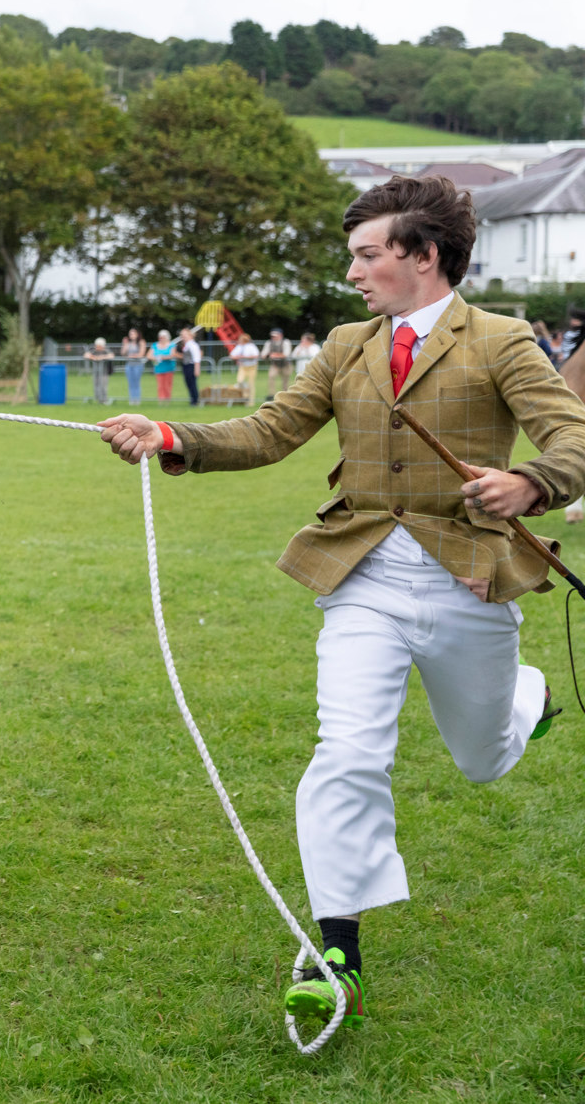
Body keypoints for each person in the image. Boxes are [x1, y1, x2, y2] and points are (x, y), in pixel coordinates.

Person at [97, 175, 583, 1040]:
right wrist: (173, 437)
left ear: (424, 256)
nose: (353, 271)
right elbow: (271, 429)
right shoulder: (346, 344)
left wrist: (531, 481)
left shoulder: (504, 341)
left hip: (469, 581)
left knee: (481, 758)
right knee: (347, 749)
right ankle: (336, 955)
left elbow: (573, 438)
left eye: (368, 254)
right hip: (360, 577)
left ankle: (527, 699)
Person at [229, 333, 261, 402]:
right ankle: (245, 395)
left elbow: (256, 355)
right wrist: (237, 357)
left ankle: (251, 401)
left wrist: (244, 357)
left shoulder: (251, 346)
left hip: (252, 367)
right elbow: (232, 355)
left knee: (251, 383)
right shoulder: (239, 347)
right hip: (243, 367)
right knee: (240, 381)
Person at [84, 336, 115, 405]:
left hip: (104, 372)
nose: (97, 347)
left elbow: (112, 356)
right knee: (96, 385)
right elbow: (86, 355)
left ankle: (104, 399)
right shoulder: (93, 350)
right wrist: (94, 357)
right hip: (96, 372)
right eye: (96, 346)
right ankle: (98, 399)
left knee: (103, 386)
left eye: (99, 346)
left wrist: (102, 357)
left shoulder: (106, 350)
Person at [262, 328, 294, 395]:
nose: (273, 337)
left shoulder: (286, 342)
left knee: (285, 381)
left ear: (281, 335)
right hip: (275, 365)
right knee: (271, 377)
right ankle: (271, 395)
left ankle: (286, 395)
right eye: (272, 336)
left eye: (275, 336)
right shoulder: (269, 343)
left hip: (286, 365)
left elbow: (286, 354)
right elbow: (263, 354)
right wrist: (268, 355)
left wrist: (275, 355)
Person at [178, 327, 203, 406]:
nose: (183, 337)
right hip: (186, 365)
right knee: (189, 383)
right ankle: (192, 399)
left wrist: (197, 369)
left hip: (191, 365)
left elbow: (197, 357)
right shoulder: (187, 345)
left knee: (192, 383)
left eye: (184, 335)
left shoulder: (193, 345)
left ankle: (195, 400)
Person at [150, 329, 177, 401]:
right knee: (160, 386)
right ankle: (161, 400)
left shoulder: (171, 345)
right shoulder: (155, 345)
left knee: (167, 385)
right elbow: (149, 355)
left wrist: (162, 357)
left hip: (168, 368)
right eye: (160, 337)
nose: (162, 339)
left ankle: (167, 400)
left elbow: (172, 355)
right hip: (158, 368)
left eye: (163, 337)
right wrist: (156, 358)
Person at [120, 329, 145, 403]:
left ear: (137, 334)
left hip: (138, 365)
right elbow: (123, 353)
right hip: (129, 365)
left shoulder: (141, 342)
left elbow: (141, 354)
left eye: (133, 334)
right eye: (130, 334)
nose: (131, 335)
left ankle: (137, 400)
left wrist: (132, 356)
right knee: (130, 383)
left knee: (136, 383)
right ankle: (132, 400)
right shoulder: (128, 343)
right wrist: (124, 344)